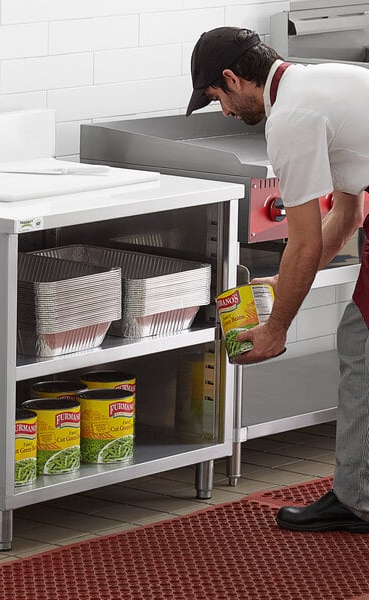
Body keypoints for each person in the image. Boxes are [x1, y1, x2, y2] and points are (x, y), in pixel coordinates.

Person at [186, 26, 369, 533]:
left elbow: (305, 241)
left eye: (216, 97)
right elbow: (349, 213)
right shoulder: (323, 83)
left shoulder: (290, 118)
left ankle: (358, 501)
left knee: (361, 342)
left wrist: (276, 327)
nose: (223, 111)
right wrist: (281, 290)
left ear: (231, 78)